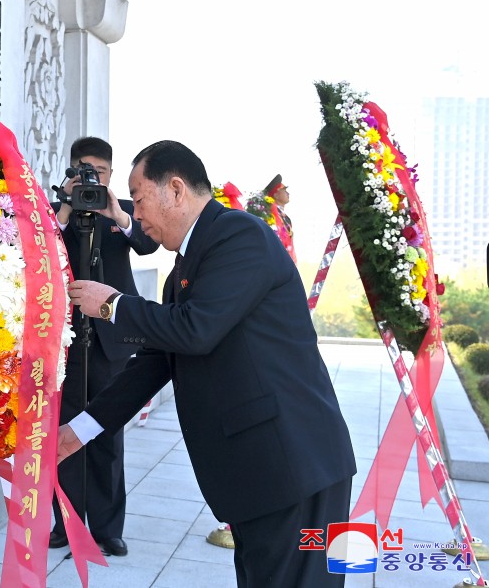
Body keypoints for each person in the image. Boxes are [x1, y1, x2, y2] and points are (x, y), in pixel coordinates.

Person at [60, 140, 356, 586]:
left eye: (138, 200)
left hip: (294, 470)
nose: (134, 215)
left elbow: (195, 330)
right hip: (260, 477)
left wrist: (114, 305)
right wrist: (77, 432)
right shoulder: (189, 262)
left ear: (175, 190)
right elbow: (154, 362)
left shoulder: (240, 236)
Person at [49, 136, 159, 557]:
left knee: (107, 431)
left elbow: (148, 244)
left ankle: (108, 528)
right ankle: (67, 522)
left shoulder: (124, 211)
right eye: (82, 170)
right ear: (71, 170)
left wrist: (115, 210)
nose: (90, 177)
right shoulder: (57, 209)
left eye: (98, 171)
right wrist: (65, 204)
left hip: (111, 339)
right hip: (66, 339)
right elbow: (37, 248)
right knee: (66, 432)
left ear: (111, 174)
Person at [265, 173, 296, 263]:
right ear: (276, 195)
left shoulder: (286, 218)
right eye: (284, 190)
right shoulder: (269, 215)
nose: (288, 193)